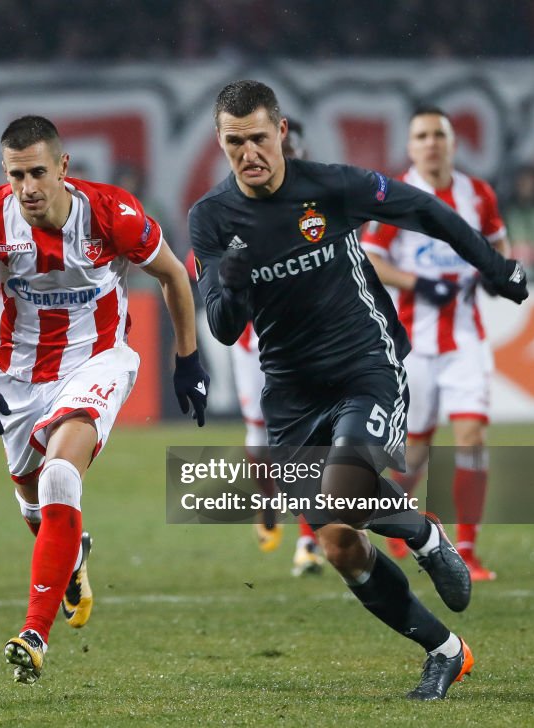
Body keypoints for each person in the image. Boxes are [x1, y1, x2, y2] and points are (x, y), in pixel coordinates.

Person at [191, 80, 527, 700]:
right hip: (290, 394)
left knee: (343, 488)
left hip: (363, 367)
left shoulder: (331, 186)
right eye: (234, 142)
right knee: (342, 545)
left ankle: (423, 534)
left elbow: (422, 209)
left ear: (282, 131)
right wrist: (231, 286)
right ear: (220, 141)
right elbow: (223, 325)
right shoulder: (210, 218)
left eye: (259, 138)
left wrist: (493, 264)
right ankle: (445, 650)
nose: (249, 153)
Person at [0, 115, 209, 684]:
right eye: (16, 175)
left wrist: (188, 360)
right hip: (17, 374)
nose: (28, 187)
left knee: (62, 473)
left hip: (97, 361)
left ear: (63, 167)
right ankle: (73, 555)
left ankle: (33, 635)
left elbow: (174, 277)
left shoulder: (112, 212)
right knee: (36, 509)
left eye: (38, 172)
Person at [362, 107, 511, 581]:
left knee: (472, 439)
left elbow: (499, 247)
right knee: (414, 451)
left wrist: (495, 274)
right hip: (414, 343)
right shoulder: (395, 195)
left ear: (452, 143)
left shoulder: (477, 194)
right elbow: (370, 259)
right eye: (422, 136)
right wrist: (418, 284)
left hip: (465, 337)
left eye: (438, 135)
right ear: (410, 146)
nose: (431, 143)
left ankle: (467, 549)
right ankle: (405, 529)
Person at [228, 117, 324, 576]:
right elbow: (201, 258)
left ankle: (309, 537)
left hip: (307, 341)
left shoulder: (318, 201)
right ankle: (268, 503)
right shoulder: (237, 198)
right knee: (259, 439)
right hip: (253, 344)